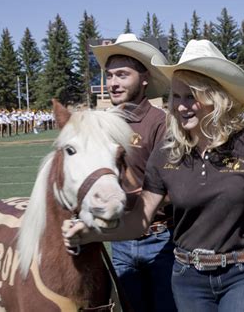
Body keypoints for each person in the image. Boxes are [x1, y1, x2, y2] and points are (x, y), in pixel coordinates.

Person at [64, 39, 244, 312]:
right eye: (177, 96)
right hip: (188, 278)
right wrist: (90, 232)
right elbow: (140, 220)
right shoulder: (165, 154)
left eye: (192, 96)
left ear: (215, 98)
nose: (182, 106)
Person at [90, 33, 176, 312]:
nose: (113, 83)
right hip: (119, 241)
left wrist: (129, 201)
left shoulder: (160, 124)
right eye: (110, 75)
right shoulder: (102, 124)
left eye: (123, 75)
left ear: (145, 78)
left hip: (161, 240)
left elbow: (174, 189)